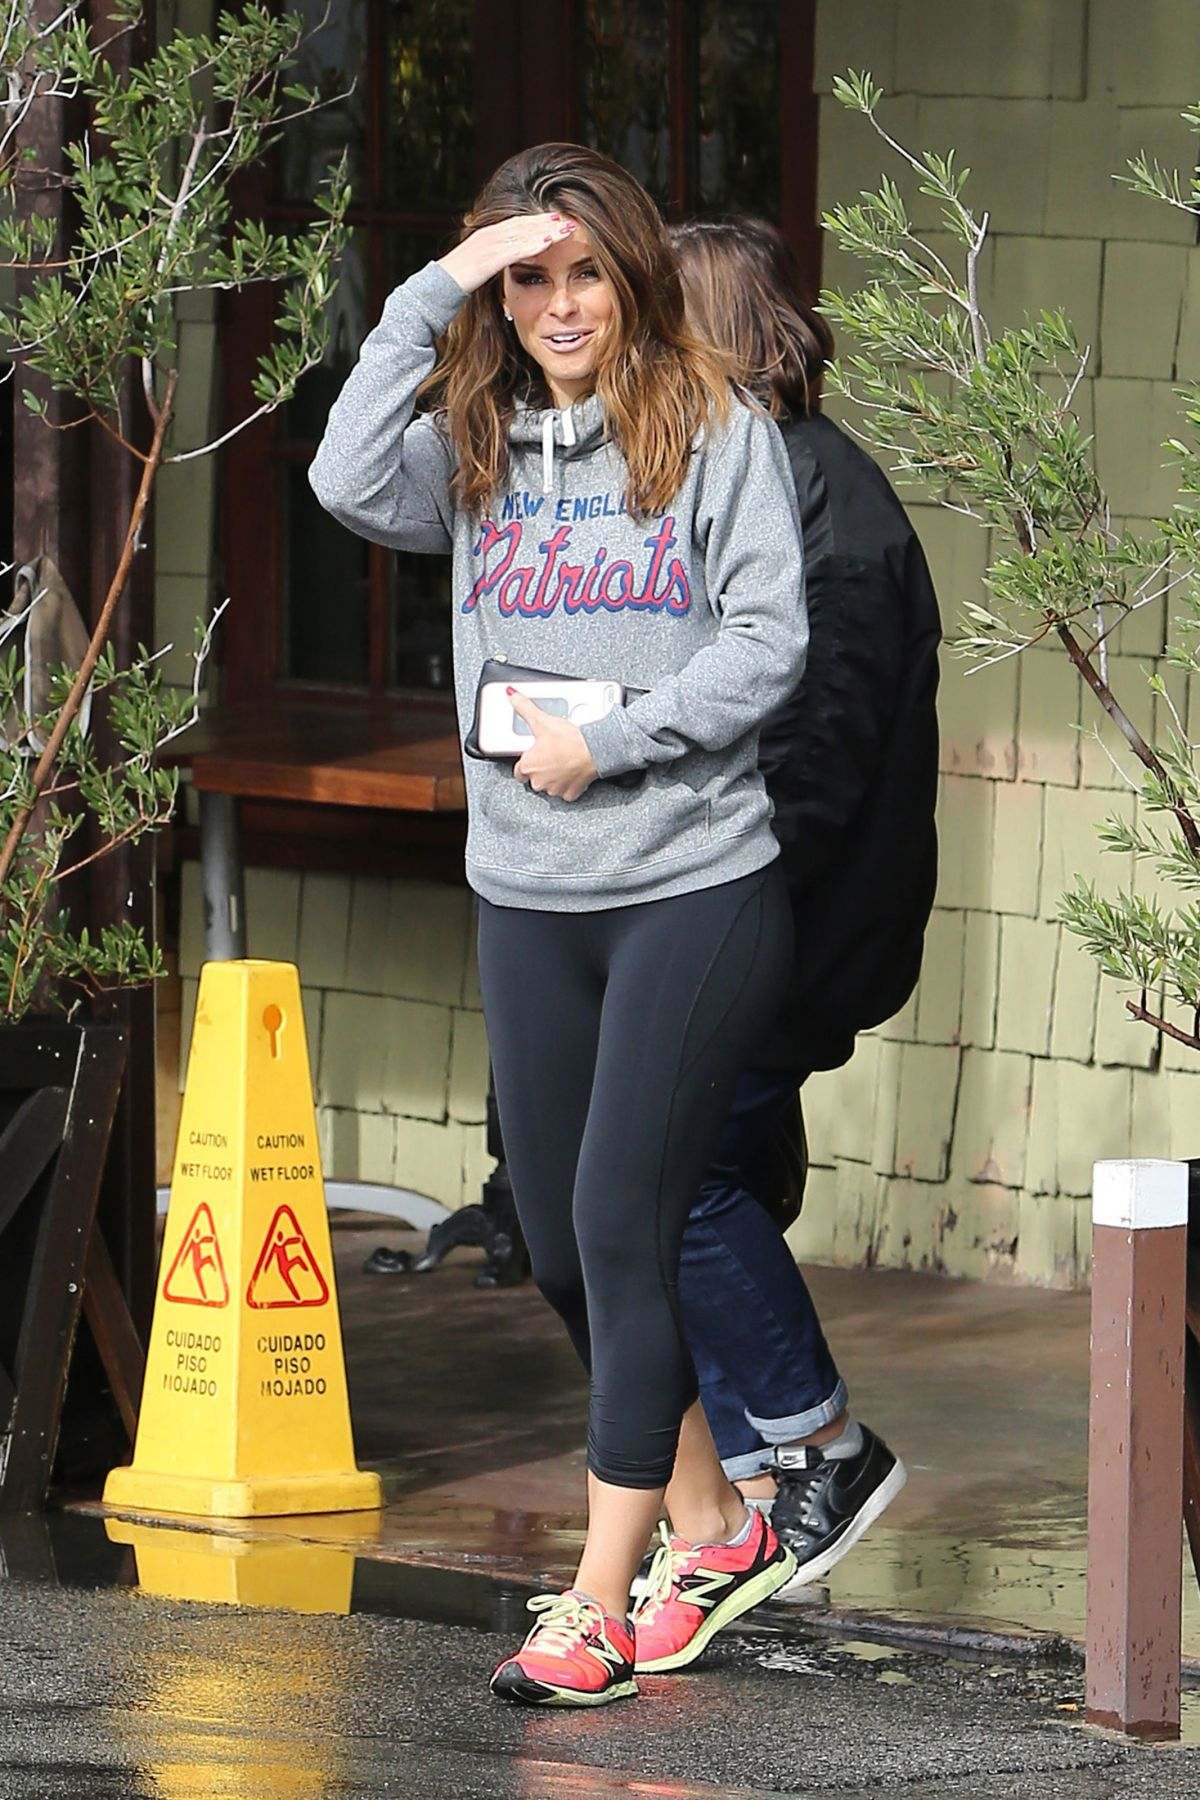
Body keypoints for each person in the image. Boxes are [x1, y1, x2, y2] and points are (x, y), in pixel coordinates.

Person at [309, 146, 808, 1708]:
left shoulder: (712, 424)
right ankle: (720, 1522)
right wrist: (442, 278)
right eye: (529, 277)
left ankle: (598, 1602)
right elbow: (335, 473)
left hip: (691, 884)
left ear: (634, 274)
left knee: (618, 1224)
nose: (560, 304)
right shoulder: (476, 439)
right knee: (559, 1252)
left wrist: (624, 736)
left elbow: (770, 639)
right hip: (526, 891)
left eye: (584, 270)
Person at [662, 216, 941, 1594]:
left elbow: (811, 776)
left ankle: (820, 1446)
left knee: (675, 1171)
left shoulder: (818, 505)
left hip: (782, 923)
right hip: (754, 915)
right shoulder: (757, 478)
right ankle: (768, 1484)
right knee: (708, 1166)